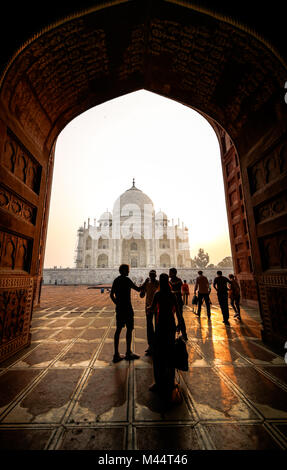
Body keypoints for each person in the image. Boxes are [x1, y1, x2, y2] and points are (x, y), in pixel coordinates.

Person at [148, 273, 183, 404]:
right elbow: (178, 311)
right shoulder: (172, 294)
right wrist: (180, 324)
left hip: (160, 326)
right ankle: (171, 381)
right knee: (170, 353)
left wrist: (148, 309)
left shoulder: (157, 294)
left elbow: (151, 309)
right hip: (171, 325)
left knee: (159, 355)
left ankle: (158, 382)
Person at [110, 264, 142, 363]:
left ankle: (116, 354)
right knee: (129, 329)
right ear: (124, 271)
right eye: (128, 270)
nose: (129, 271)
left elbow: (111, 295)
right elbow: (138, 289)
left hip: (119, 309)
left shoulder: (116, 280)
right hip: (127, 309)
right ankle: (128, 352)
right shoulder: (127, 280)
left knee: (118, 330)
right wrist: (145, 283)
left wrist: (117, 303)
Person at [140, 270, 160, 356]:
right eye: (151, 275)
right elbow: (141, 295)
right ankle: (151, 345)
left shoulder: (159, 284)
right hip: (148, 307)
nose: (152, 276)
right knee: (149, 325)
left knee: (158, 325)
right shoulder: (147, 283)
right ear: (149, 275)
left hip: (158, 307)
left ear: (156, 275)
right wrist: (143, 285)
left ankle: (157, 344)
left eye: (153, 275)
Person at [169, 268, 188, 341]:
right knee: (173, 318)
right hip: (173, 302)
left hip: (178, 302)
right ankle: (175, 332)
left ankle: (184, 335)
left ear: (173, 273)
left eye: (170, 273)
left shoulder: (178, 280)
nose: (169, 274)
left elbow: (176, 290)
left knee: (180, 318)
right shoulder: (172, 281)